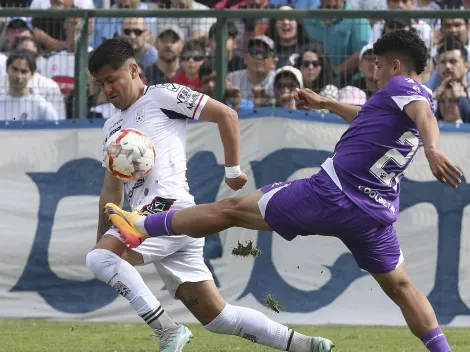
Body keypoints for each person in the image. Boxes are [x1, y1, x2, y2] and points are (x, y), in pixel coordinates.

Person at [105, 30, 462, 352]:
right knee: (402, 288)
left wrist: (432, 150)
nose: (377, 73)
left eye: (380, 66)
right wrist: (327, 104)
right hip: (374, 215)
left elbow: (424, 119)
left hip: (330, 194)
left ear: (396, 65)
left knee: (230, 210)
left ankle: (143, 226)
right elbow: (371, 116)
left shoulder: (403, 89)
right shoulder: (409, 99)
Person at [85, 37, 334, 352]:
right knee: (219, 318)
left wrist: (232, 170)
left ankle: (167, 330)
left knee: (100, 259)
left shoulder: (163, 95)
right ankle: (304, 345)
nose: (107, 89)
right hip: (151, 220)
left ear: (134, 70)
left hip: (169, 210)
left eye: (112, 79)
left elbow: (226, 115)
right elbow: (112, 188)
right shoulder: (111, 126)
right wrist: (102, 238)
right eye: (100, 83)